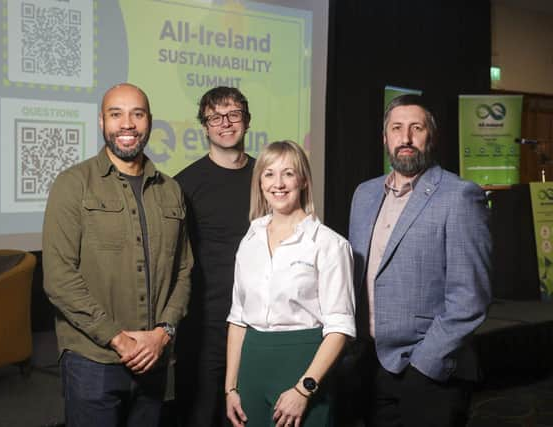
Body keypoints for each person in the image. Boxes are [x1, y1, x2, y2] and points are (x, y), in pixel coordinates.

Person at [42, 83, 193, 427]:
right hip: (91, 360)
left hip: (154, 357)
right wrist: (117, 338)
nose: (127, 124)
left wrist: (162, 334)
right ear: (101, 122)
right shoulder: (73, 184)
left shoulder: (171, 190)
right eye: (116, 114)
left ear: (149, 122)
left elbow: (183, 270)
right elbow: (59, 277)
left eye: (136, 114)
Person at [348, 94, 492, 427]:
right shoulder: (364, 194)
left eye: (417, 128)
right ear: (385, 138)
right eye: (397, 128)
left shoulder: (460, 196)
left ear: (432, 136)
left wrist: (423, 365)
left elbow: (470, 298)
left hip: (429, 372)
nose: (406, 138)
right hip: (371, 368)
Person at [225, 140, 356, 427]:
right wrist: (231, 388)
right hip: (251, 368)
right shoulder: (250, 239)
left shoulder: (329, 244)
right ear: (260, 182)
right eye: (269, 173)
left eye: (288, 173)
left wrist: (304, 389)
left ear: (304, 181)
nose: (279, 183)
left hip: (303, 365)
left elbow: (340, 328)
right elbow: (238, 319)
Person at [174, 86, 255, 427]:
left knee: (248, 412)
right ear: (204, 126)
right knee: (203, 412)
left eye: (233, 114)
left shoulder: (268, 177)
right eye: (215, 117)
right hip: (206, 321)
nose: (225, 123)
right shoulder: (183, 184)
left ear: (246, 121)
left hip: (258, 319)